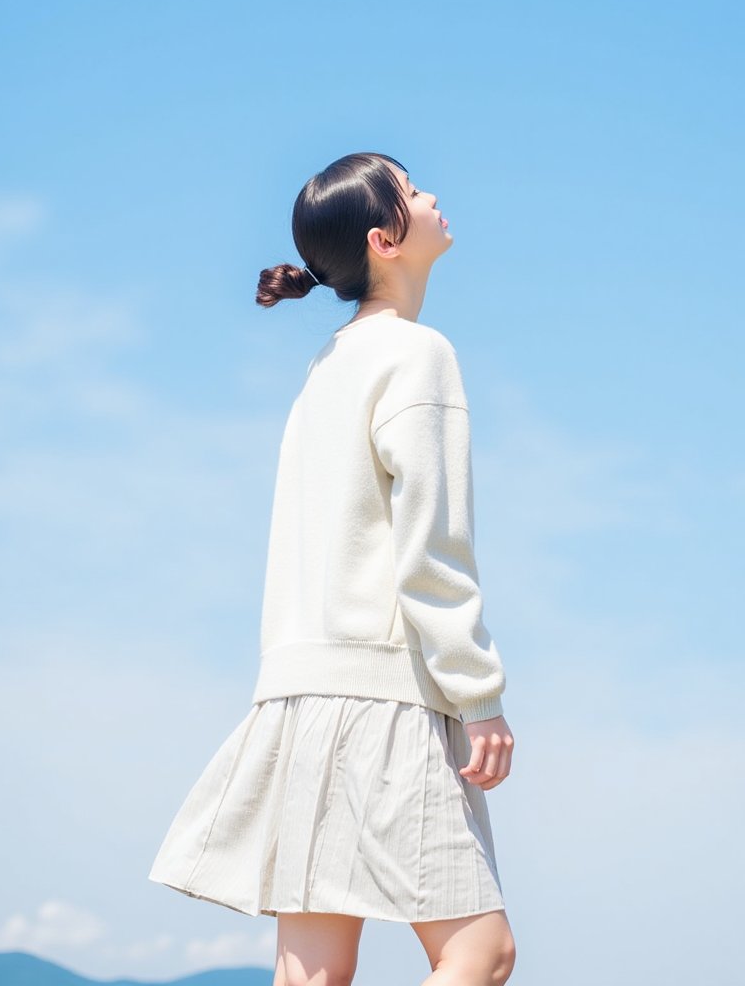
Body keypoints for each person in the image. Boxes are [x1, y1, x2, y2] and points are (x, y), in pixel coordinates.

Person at [148, 151, 517, 986]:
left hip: (298, 699)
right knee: (479, 952)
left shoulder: (323, 369)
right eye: (414, 189)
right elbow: (432, 548)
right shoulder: (418, 356)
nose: (433, 195)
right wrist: (480, 693)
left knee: (311, 976)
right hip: (382, 699)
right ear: (386, 239)